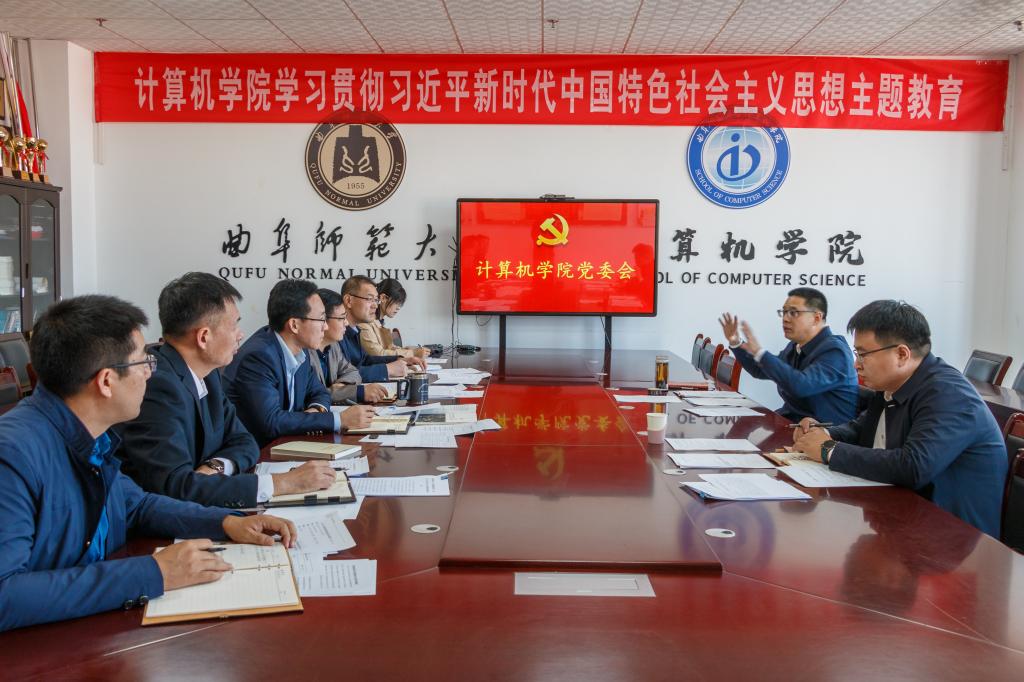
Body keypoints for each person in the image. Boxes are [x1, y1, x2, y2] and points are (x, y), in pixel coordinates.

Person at [0, 295, 297, 632]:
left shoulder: (92, 435)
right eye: (142, 362)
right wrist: (154, 572)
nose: (149, 373)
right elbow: (5, 595)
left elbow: (136, 506)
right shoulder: (13, 454)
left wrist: (226, 522)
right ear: (106, 381)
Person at [119, 273, 337, 509]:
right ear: (204, 337)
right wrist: (282, 483)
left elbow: (244, 441)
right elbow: (177, 488)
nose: (240, 334)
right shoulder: (158, 387)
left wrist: (215, 466)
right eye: (234, 325)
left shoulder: (208, 373)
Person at [794, 300, 1007, 536]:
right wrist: (822, 434)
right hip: (902, 519)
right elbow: (861, 430)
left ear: (902, 354)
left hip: (954, 540)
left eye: (863, 355)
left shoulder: (949, 394)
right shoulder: (893, 384)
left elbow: (913, 466)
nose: (856, 365)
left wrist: (828, 449)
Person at [223, 279, 375, 447]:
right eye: (321, 319)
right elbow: (271, 421)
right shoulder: (259, 357)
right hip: (259, 451)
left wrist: (316, 411)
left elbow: (320, 393)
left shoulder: (300, 350)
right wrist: (338, 419)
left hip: (289, 444)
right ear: (294, 325)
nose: (325, 327)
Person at [720, 287, 858, 424]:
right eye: (784, 312)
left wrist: (759, 352)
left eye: (793, 313)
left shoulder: (835, 351)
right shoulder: (795, 346)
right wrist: (736, 342)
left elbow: (801, 386)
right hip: (791, 424)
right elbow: (760, 370)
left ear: (816, 318)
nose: (785, 319)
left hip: (823, 433)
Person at [310, 287, 389, 404]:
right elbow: (312, 397)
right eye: (341, 318)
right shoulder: (304, 353)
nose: (346, 323)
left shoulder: (333, 346)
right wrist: (356, 392)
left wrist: (342, 387)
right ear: (323, 320)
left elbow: (352, 372)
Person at [339, 275, 424, 382]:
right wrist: (387, 369)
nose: (375, 305)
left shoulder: (355, 330)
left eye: (376, 300)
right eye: (369, 299)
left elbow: (365, 360)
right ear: (348, 301)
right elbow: (342, 375)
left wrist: (400, 359)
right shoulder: (337, 333)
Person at [358, 278, 429, 360]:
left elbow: (388, 348)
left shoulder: (379, 322)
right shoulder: (365, 322)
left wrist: (408, 350)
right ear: (383, 298)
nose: (398, 308)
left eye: (400, 304)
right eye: (396, 302)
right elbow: (378, 354)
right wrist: (413, 353)